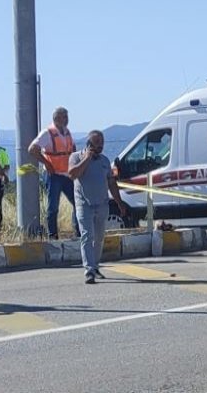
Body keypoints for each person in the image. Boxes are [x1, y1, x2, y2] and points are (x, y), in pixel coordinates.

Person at [67, 130, 126, 284]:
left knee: (99, 238)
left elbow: (112, 183)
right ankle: (89, 270)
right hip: (84, 204)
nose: (100, 146)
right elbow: (73, 174)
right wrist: (87, 158)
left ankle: (95, 265)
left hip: (102, 204)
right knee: (87, 236)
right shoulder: (76, 157)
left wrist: (119, 202)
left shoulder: (105, 161)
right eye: (97, 143)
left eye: (102, 142)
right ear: (89, 144)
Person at [29, 107, 78, 240]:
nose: (67, 119)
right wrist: (46, 163)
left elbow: (72, 149)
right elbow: (32, 149)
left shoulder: (67, 132)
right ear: (56, 118)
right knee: (53, 207)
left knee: (77, 202)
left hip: (67, 174)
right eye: (64, 117)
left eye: (67, 117)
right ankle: (52, 235)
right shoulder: (47, 133)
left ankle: (78, 231)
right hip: (53, 175)